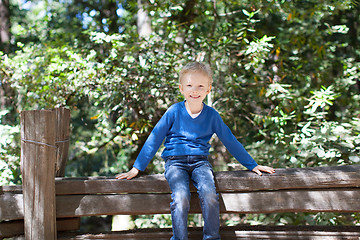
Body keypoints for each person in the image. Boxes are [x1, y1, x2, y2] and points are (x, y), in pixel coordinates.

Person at [116, 61, 275, 240]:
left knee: (209, 195)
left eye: (200, 86)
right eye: (190, 85)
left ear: (208, 90)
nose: (195, 90)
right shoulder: (174, 111)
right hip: (175, 162)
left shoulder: (212, 115)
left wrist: (252, 165)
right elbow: (155, 137)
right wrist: (137, 167)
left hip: (200, 163)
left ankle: (211, 237)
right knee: (181, 197)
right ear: (181, 88)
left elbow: (230, 140)